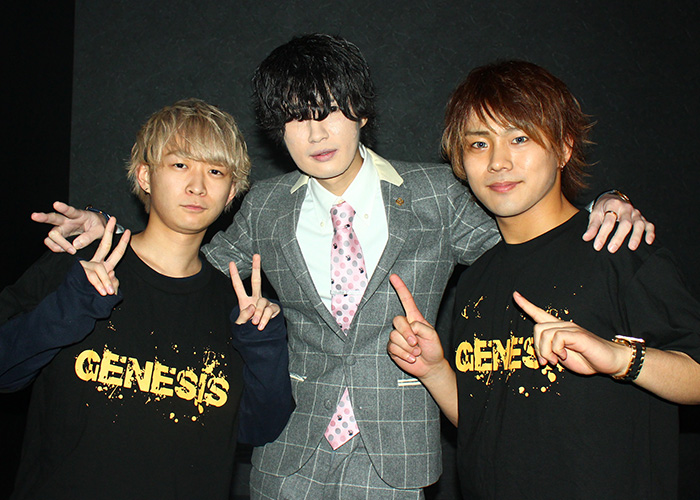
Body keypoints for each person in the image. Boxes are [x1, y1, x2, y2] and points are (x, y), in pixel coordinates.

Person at [34, 36, 654, 499]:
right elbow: (183, 259)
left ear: (361, 112)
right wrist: (109, 231)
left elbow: (528, 233)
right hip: (290, 453)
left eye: (330, 110)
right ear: (277, 131)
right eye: (296, 117)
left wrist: (604, 202)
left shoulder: (436, 194)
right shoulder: (265, 207)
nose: (316, 133)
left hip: (396, 454)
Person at [388, 60, 700, 499]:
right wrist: (435, 370)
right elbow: (483, 421)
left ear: (564, 147)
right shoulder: (475, 279)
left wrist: (619, 359)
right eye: (479, 143)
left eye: (519, 138)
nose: (498, 162)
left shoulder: (617, 248)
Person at [0, 99, 292, 499]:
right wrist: (72, 305)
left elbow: (257, 430)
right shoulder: (80, 265)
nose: (197, 186)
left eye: (215, 171)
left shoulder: (236, 307)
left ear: (231, 193)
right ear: (145, 176)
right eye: (180, 164)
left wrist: (264, 345)